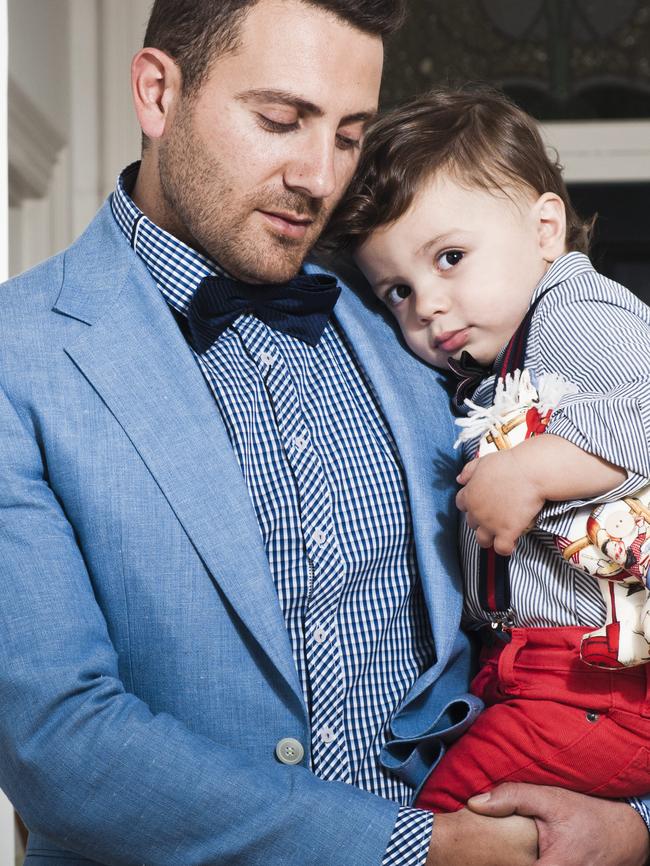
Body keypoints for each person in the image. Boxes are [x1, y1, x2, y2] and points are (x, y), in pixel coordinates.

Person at [0, 1, 646, 862]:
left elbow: (583, 582)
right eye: (280, 119)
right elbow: (63, 744)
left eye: (349, 135)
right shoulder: (20, 352)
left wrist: (636, 821)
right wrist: (426, 847)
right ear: (158, 94)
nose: (319, 175)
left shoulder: (423, 319)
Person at [325, 85, 650, 816]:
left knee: (449, 815)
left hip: (602, 681)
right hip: (548, 675)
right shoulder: (500, 360)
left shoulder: (576, 314)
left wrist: (531, 470)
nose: (427, 305)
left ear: (544, 229)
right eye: (397, 292)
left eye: (449, 257)